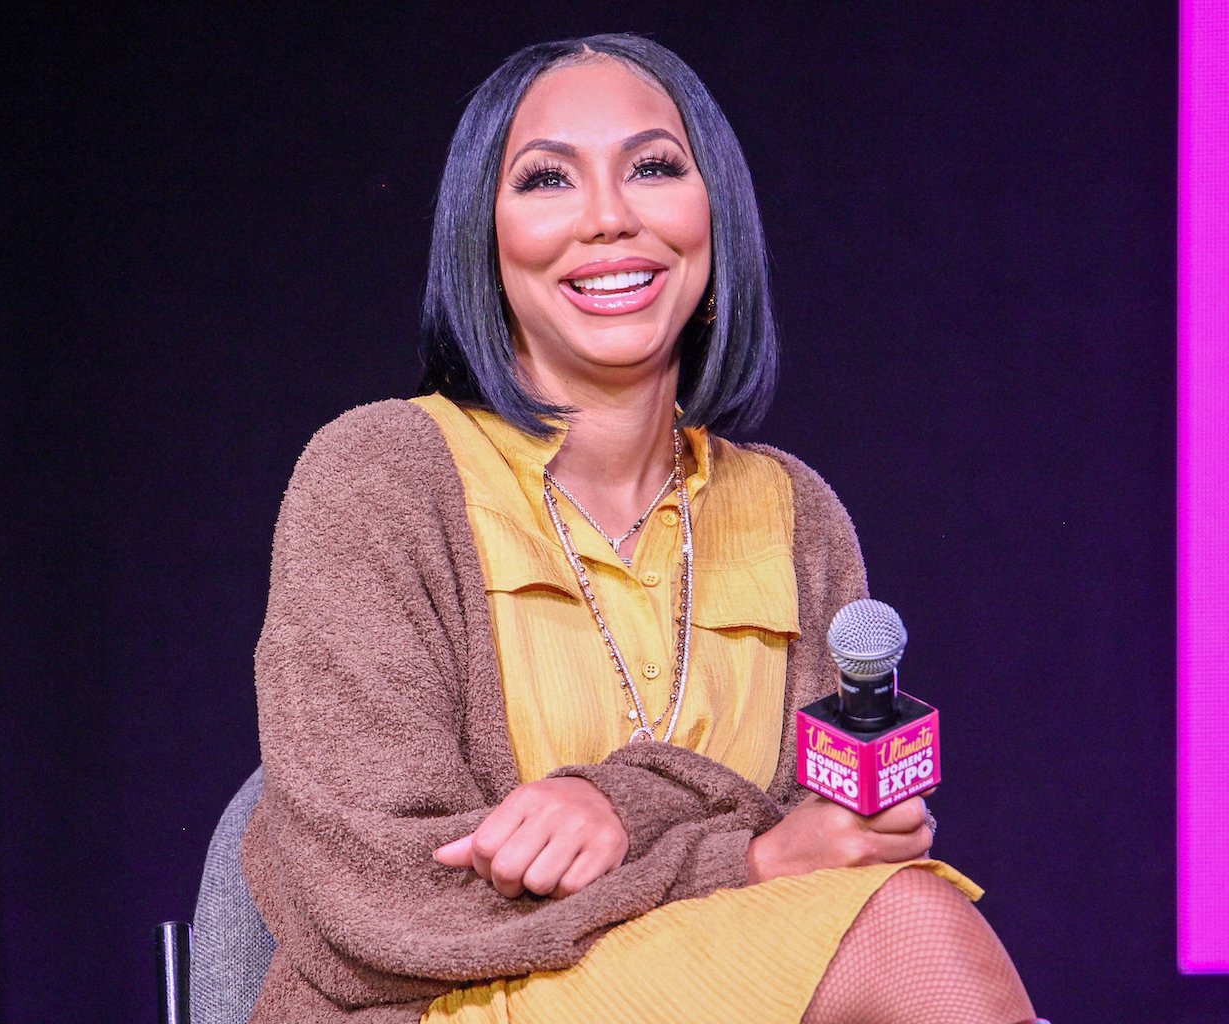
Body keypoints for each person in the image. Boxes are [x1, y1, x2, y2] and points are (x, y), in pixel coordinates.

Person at [241, 33, 1041, 1024]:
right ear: (483, 238)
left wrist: (667, 820)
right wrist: (736, 859)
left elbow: (821, 862)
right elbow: (377, 901)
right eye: (547, 179)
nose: (609, 216)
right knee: (906, 928)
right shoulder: (377, 479)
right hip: (442, 1007)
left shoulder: (794, 515)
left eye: (653, 168)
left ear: (714, 214)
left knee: (901, 911)